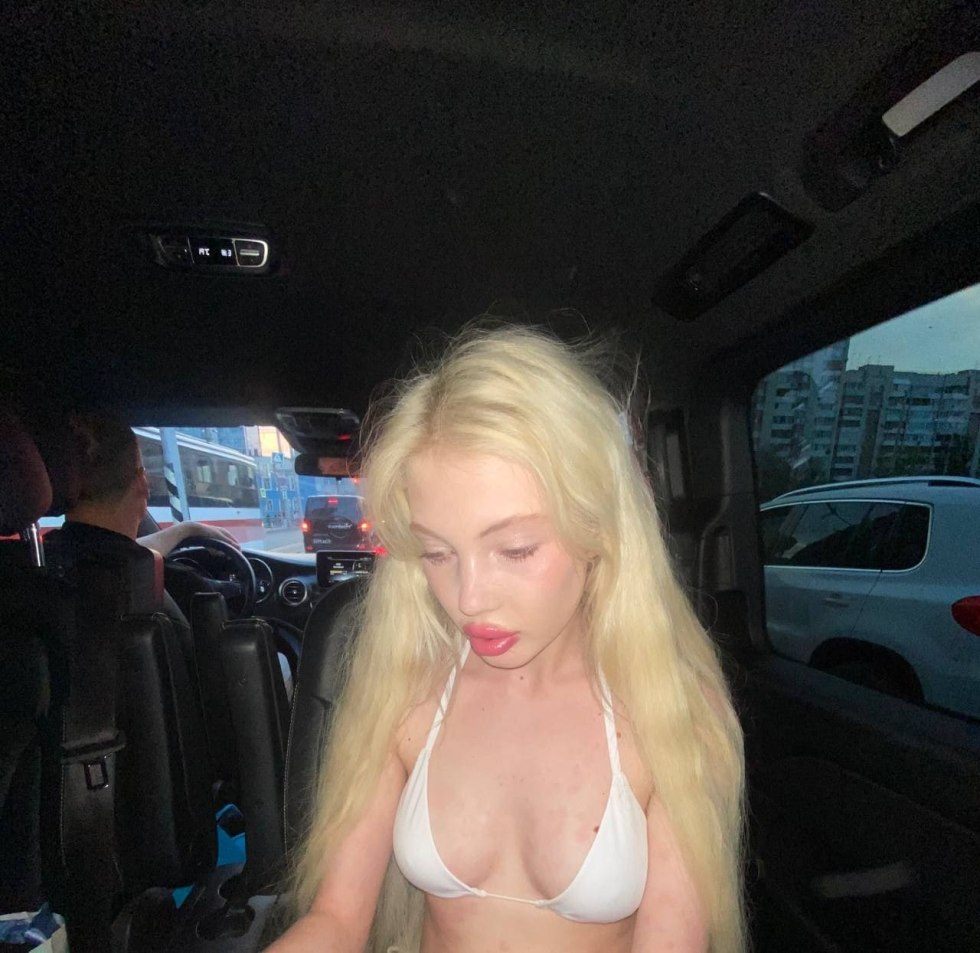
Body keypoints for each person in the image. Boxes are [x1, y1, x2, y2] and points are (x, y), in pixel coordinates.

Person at [268, 325, 746, 953]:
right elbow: (335, 921)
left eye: (515, 549)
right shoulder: (405, 692)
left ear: (599, 528)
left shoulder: (673, 713)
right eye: (437, 553)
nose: (468, 600)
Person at [45, 413, 240, 622]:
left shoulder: (42, 562)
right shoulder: (173, 584)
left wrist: (187, 529)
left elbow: (116, 549)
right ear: (142, 483)